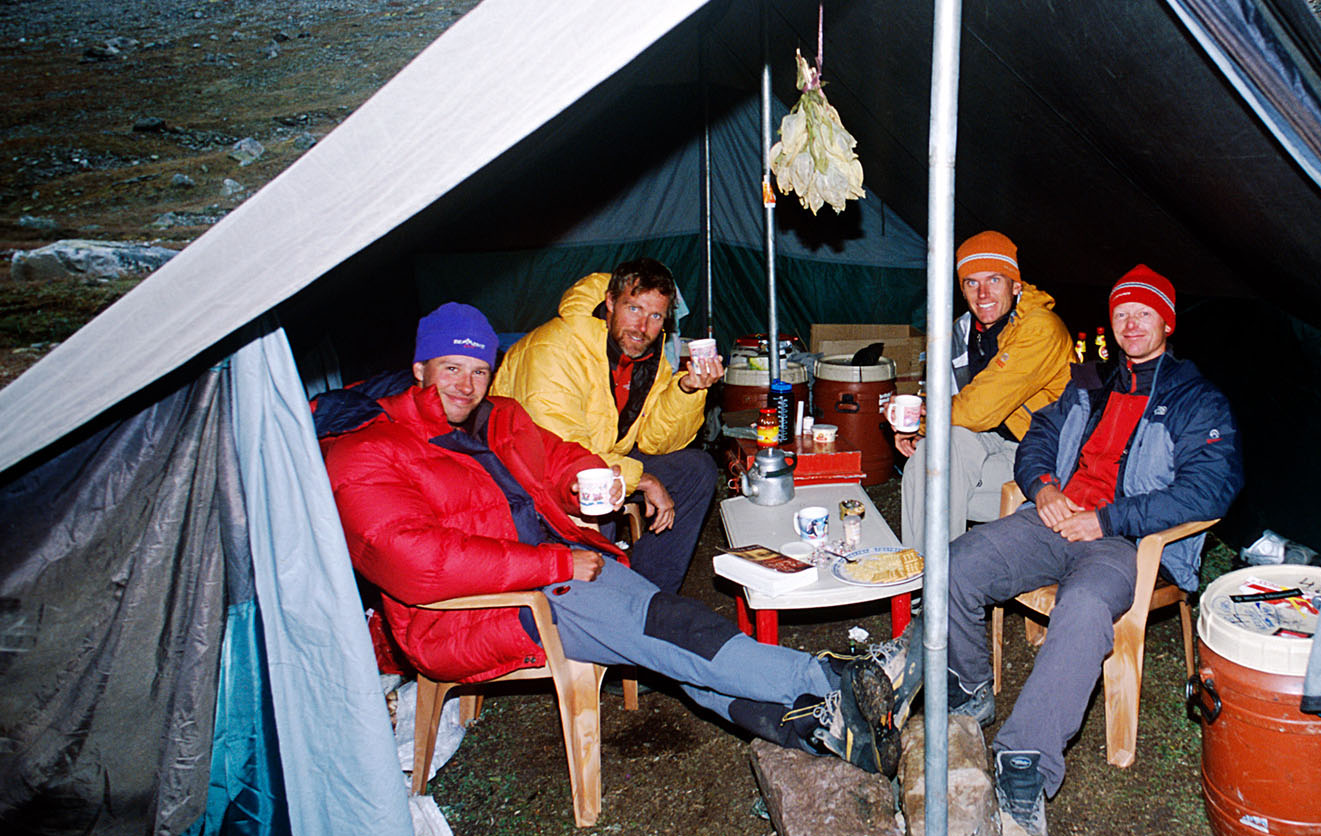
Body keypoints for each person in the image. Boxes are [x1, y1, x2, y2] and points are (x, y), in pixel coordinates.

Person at [322, 303, 922, 776]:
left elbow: (558, 460)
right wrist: (553, 559)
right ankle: (828, 681)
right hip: (479, 611)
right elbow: (415, 563)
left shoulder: (497, 417)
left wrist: (592, 482)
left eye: (479, 370)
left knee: (676, 645)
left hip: (558, 573)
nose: (467, 384)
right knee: (668, 631)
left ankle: (820, 731)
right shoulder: (366, 450)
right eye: (452, 368)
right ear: (420, 367)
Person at [943, 265, 1243, 836]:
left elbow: (1208, 489)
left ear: (1167, 321)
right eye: (1121, 312)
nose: (1130, 323)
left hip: (1119, 541)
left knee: (1083, 610)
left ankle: (1025, 761)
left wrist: (1106, 518)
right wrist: (1045, 487)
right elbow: (1035, 438)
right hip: (1053, 519)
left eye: (1143, 312)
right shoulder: (1087, 384)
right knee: (958, 563)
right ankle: (971, 689)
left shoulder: (1196, 399)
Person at [492, 259, 723, 593]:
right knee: (598, 502)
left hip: (600, 463)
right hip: (533, 477)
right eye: (633, 309)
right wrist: (641, 480)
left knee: (695, 469)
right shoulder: (555, 348)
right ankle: (614, 604)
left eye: (656, 316)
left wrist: (688, 388)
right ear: (611, 303)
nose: (642, 327)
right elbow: (561, 452)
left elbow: (656, 441)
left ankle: (651, 596)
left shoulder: (647, 356)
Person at [897, 230, 1071, 552]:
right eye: (971, 282)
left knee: (936, 483)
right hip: (991, 440)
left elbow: (978, 409)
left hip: (1042, 451)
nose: (983, 293)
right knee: (927, 461)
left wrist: (922, 421)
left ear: (1016, 285)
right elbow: (949, 399)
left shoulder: (1040, 329)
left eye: (994, 279)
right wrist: (914, 419)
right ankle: (927, 582)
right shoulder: (964, 332)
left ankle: (942, 587)